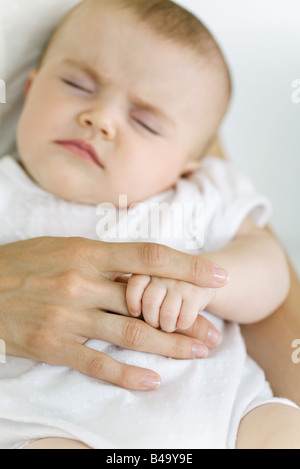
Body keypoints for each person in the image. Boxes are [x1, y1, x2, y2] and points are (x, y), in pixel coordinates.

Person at [0, 0, 299, 450]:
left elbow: (271, 269)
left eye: (143, 121)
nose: (99, 119)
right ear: (31, 85)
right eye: (77, 84)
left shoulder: (200, 193)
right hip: (54, 427)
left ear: (189, 161)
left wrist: (209, 281)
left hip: (226, 414)